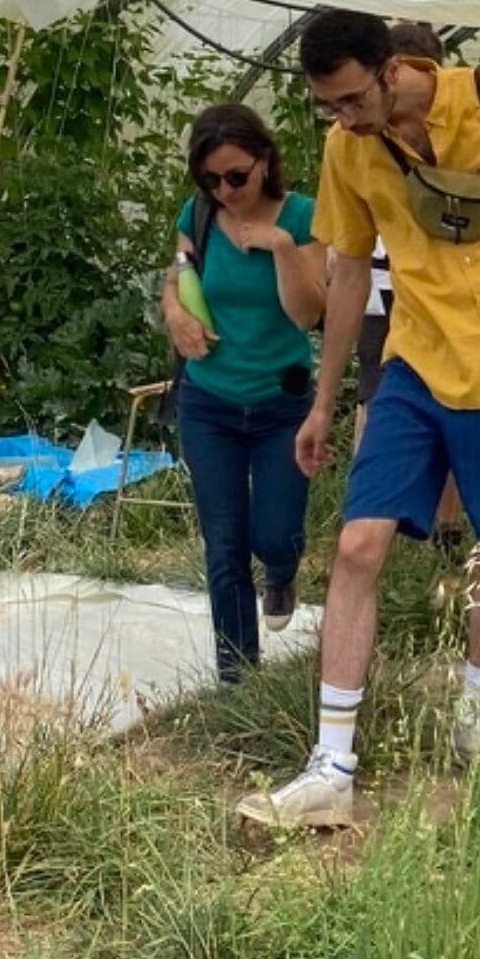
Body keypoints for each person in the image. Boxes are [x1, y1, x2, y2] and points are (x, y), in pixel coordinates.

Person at [241, 11, 480, 830]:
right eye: (327, 105)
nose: (343, 116)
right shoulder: (347, 150)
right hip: (415, 360)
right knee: (357, 544)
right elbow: (347, 273)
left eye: (352, 98)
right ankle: (331, 765)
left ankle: (475, 710)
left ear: (392, 68)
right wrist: (324, 402)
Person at [163, 103, 326, 682]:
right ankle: (237, 679)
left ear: (265, 161)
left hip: (281, 403)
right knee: (224, 542)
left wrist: (281, 248)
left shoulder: (303, 217)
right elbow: (178, 273)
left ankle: (281, 572)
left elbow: (308, 314)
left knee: (276, 535)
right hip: (209, 402)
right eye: (211, 180)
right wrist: (174, 313)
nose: (225, 191)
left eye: (237, 176)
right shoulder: (200, 214)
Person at [352, 24, 466, 555]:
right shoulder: (358, 141)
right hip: (386, 295)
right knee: (378, 399)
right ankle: (374, 512)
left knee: (432, 403)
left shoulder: (456, 127)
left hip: (426, 298)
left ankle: (438, 522)